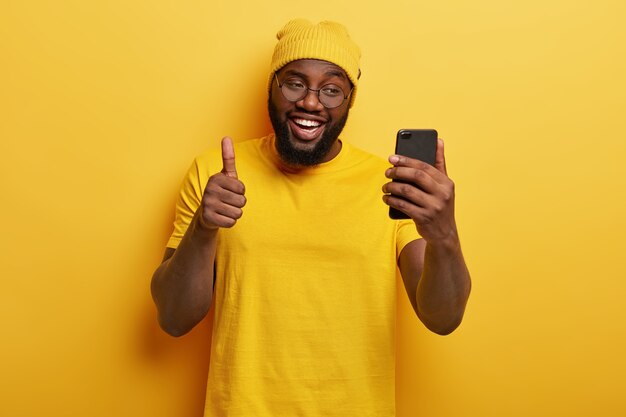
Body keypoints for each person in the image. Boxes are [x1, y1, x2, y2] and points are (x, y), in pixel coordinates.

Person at [151, 18, 471, 417]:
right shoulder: (215, 172)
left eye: (332, 90)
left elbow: (443, 318)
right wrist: (203, 227)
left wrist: (445, 237)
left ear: (349, 101)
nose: (311, 102)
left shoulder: (390, 184)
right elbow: (173, 318)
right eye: (294, 82)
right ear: (272, 87)